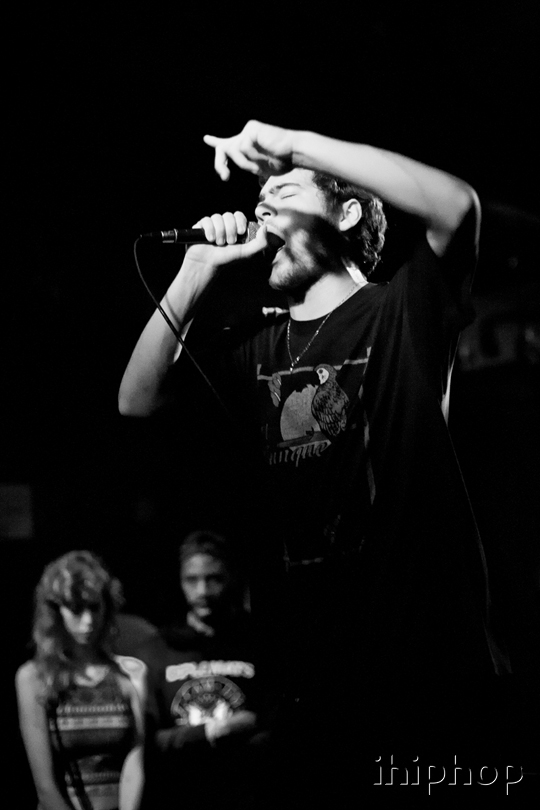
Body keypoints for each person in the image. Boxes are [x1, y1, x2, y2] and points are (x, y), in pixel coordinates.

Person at [119, 121, 510, 798]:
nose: (264, 207)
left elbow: (457, 206)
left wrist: (290, 146)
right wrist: (195, 271)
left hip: (425, 668)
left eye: (286, 193)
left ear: (348, 213)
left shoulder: (400, 311)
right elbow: (136, 400)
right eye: (261, 200)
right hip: (315, 680)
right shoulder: (257, 344)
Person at [135, 529, 270, 809]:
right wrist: (214, 731)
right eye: (192, 580)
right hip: (182, 795)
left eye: (213, 579)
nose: (202, 591)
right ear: (179, 581)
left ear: (231, 577)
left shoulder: (259, 644)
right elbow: (147, 743)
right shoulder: (157, 651)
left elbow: (273, 724)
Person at [15, 550, 146, 810]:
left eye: (94, 607)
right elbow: (45, 787)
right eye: (75, 609)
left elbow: (135, 759)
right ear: (55, 612)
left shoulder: (130, 673)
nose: (88, 621)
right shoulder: (35, 678)